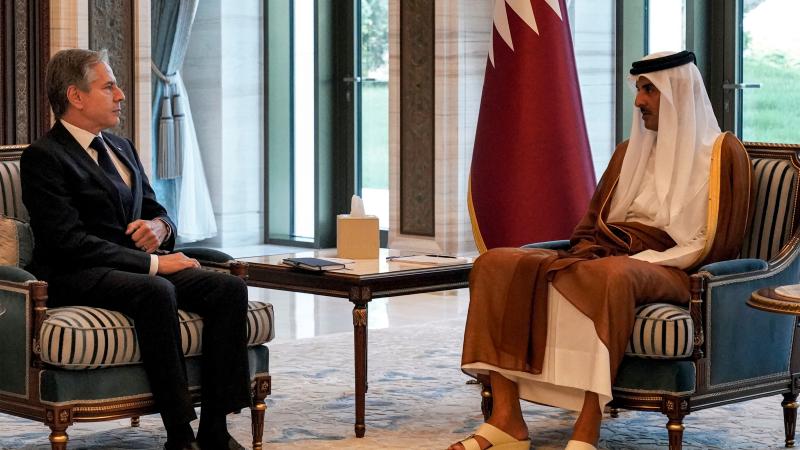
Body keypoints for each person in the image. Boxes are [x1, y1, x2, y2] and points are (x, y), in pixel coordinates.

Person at [449, 51, 754, 450]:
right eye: (638, 90)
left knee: (609, 275)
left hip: (678, 267)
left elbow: (717, 242)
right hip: (608, 254)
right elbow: (591, 225)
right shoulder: (630, 151)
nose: (639, 101)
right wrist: (597, 251)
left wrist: (634, 259)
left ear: (678, 93)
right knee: (496, 263)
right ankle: (507, 420)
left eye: (649, 90)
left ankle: (587, 428)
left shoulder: (721, 154)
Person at [21, 49, 250, 450]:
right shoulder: (43, 157)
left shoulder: (121, 147)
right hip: (77, 273)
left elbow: (158, 211)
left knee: (227, 288)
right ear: (76, 96)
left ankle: (215, 428)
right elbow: (67, 242)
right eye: (109, 86)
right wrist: (154, 264)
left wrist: (160, 228)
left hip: (132, 268)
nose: (121, 95)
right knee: (156, 289)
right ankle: (180, 435)